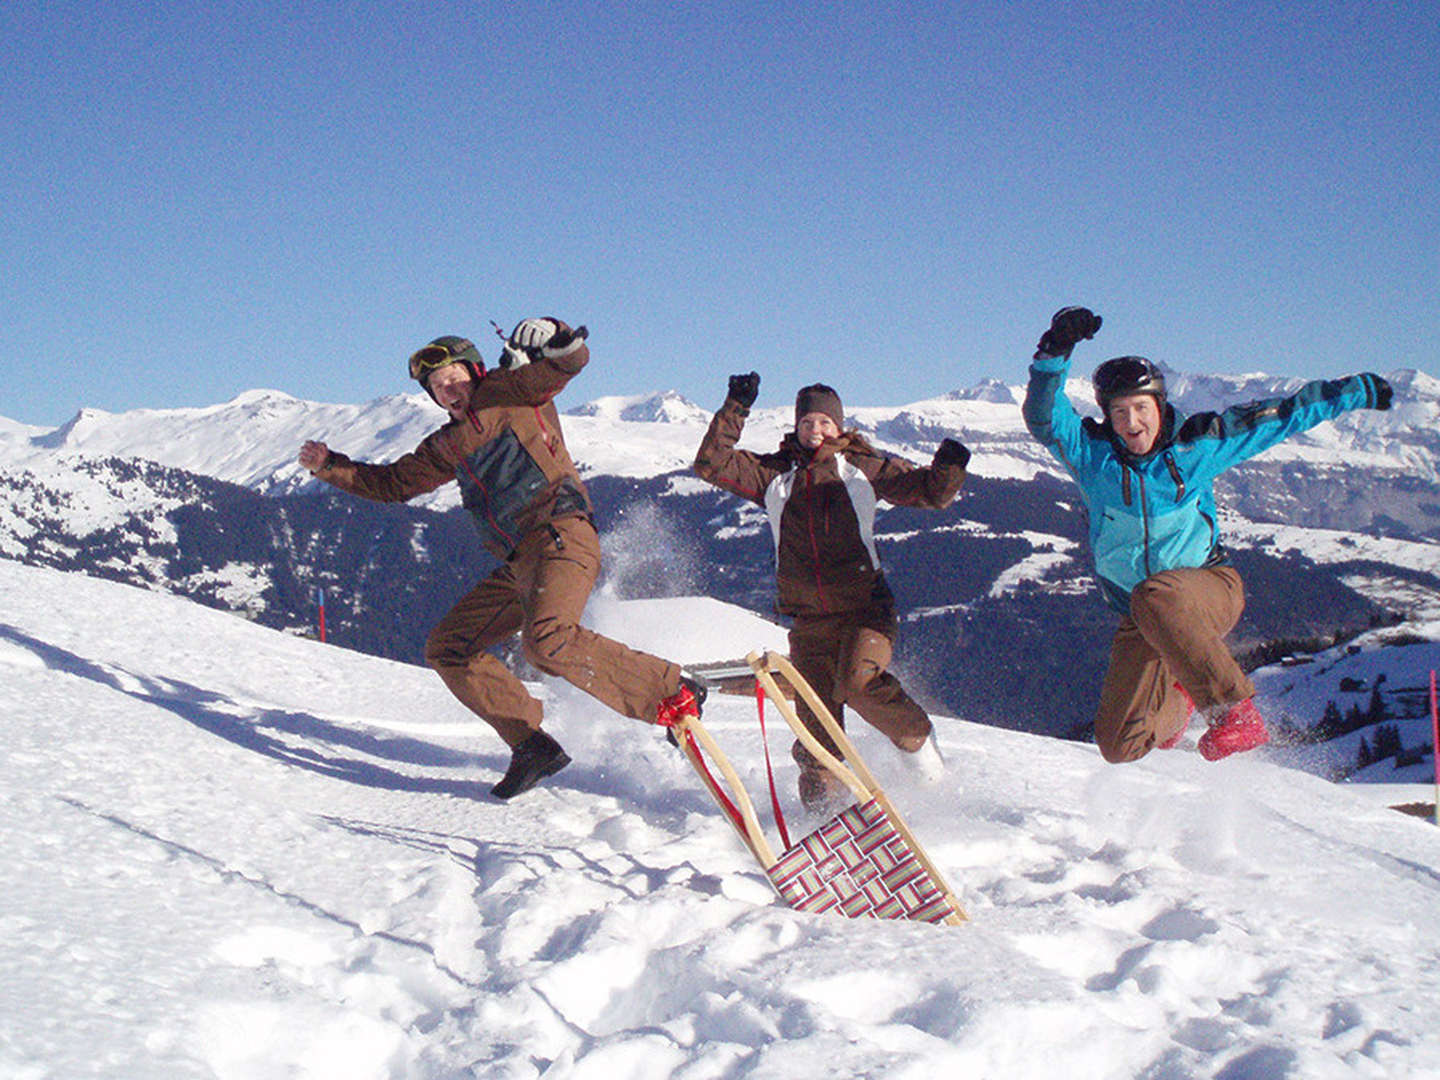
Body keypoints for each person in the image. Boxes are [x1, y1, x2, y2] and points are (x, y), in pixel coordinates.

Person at [298, 318, 704, 799]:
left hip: (561, 535)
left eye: (454, 378)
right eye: (437, 387)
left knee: (548, 642)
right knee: (448, 647)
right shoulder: (445, 445)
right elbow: (393, 485)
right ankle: (532, 746)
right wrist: (330, 466)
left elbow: (566, 364)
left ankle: (673, 692)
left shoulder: (510, 391)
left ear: (476, 371)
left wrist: (555, 332)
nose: (448, 390)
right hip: (520, 562)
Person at [1022, 306, 1393, 762]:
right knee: (1119, 745)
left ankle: (1235, 713)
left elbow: (1282, 416)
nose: (1132, 423)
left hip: (1209, 589)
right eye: (1119, 412)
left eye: (1141, 408)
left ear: (1159, 407)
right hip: (1144, 615)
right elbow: (1043, 417)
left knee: (1155, 596)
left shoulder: (1196, 446)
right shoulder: (1091, 457)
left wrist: (1356, 391)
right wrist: (1056, 349)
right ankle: (1180, 702)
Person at [693, 374, 970, 809]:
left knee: (859, 685)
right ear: (797, 427)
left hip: (866, 610)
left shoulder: (863, 467)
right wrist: (736, 407)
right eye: (807, 422)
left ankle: (921, 750)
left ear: (839, 426)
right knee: (816, 728)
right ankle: (823, 814)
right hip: (808, 622)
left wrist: (949, 467)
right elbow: (711, 465)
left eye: (824, 422)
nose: (815, 431)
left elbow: (929, 494)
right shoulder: (774, 475)